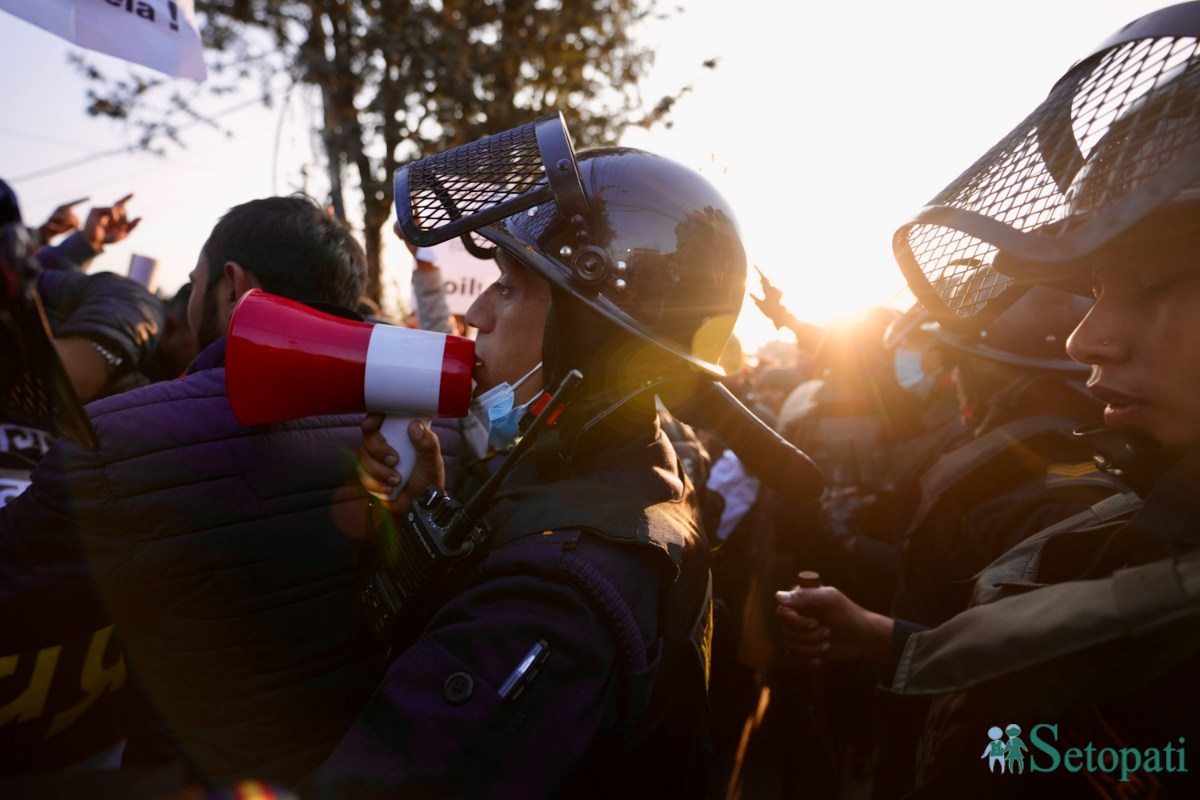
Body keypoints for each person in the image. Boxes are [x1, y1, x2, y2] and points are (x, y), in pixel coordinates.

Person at [777, 5, 1200, 796]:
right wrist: (886, 641)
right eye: (1091, 289)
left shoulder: (1056, 483)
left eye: (1147, 284)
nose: (1088, 338)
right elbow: (1048, 659)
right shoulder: (1149, 508)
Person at [308, 121, 758, 798]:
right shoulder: (636, 462)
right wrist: (428, 510)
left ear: (589, 335)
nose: (477, 313)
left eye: (510, 289)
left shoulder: (552, 603)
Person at [0, 195, 386, 792]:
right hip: (360, 767)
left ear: (232, 286)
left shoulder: (119, 437)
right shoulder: (424, 427)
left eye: (195, 282)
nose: (191, 296)